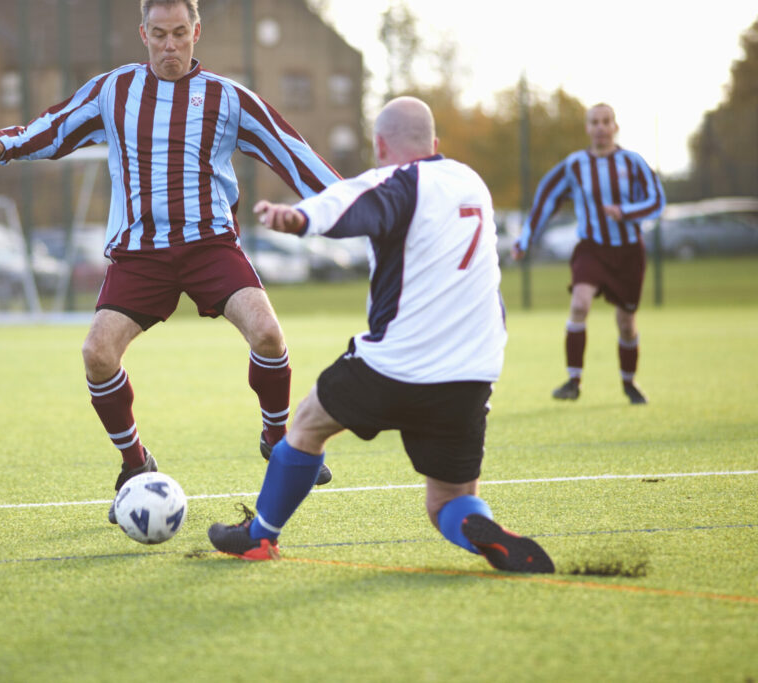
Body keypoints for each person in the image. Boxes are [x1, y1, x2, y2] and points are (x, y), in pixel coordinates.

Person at [0, 0, 338, 522]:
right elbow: (56, 128)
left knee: (269, 336)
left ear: (196, 32)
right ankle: (135, 463)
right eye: (159, 34)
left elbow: (290, 150)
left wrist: (355, 200)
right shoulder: (114, 89)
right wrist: (1, 145)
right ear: (142, 33)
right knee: (97, 352)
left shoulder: (227, 98)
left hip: (209, 245)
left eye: (179, 33)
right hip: (141, 254)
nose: (169, 45)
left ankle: (277, 439)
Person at [207, 97, 554, 574]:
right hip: (472, 373)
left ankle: (259, 538)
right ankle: (480, 528)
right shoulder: (471, 182)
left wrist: (300, 218)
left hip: (395, 365)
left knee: (306, 426)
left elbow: (347, 202)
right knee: (447, 502)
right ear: (435, 144)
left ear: (380, 145)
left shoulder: (395, 180)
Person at [513, 103, 665, 405]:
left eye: (606, 121)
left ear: (615, 126)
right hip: (592, 249)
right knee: (580, 304)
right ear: (587, 128)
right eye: (594, 122)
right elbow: (546, 198)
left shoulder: (632, 162)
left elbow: (656, 202)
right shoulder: (575, 165)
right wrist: (525, 239)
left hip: (628, 252)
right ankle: (573, 381)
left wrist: (624, 212)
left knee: (626, 322)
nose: (600, 127)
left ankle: (629, 382)